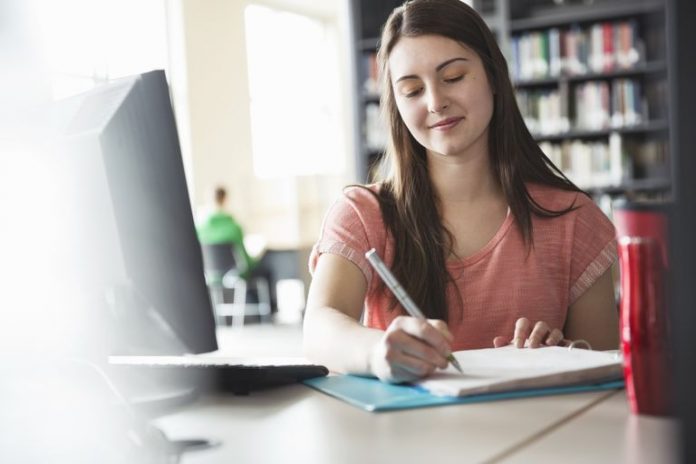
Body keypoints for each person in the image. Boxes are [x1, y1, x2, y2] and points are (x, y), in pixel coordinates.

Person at [303, 0, 619, 384]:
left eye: (453, 77)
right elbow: (319, 328)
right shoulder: (363, 213)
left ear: (493, 76)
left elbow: (606, 370)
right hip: (408, 438)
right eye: (413, 90)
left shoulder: (573, 219)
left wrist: (564, 354)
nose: (435, 102)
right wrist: (376, 352)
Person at [196, 186, 256, 278]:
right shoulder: (234, 228)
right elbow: (246, 260)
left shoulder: (200, 229)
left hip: (209, 276)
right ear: (225, 199)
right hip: (233, 276)